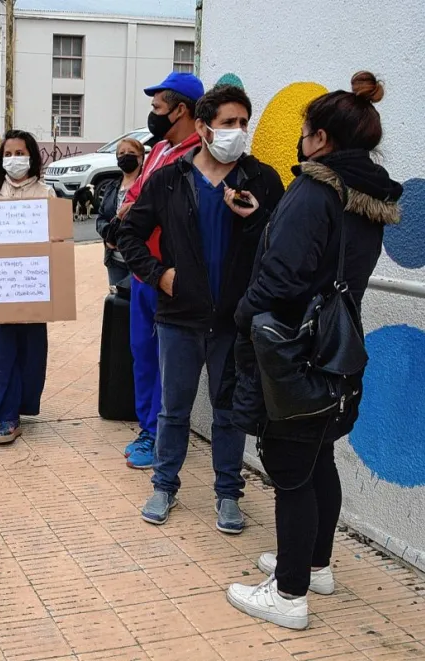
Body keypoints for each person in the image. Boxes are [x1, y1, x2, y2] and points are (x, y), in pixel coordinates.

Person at [226, 72, 402, 630]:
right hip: (336, 347)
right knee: (318, 454)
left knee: (290, 470)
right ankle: (315, 564)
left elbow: (282, 278)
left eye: (304, 131)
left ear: (321, 138)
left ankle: (289, 593)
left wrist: (243, 314)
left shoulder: (313, 190)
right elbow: (329, 265)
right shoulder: (367, 196)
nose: (301, 140)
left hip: (293, 350)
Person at [117, 85, 285, 533]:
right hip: (179, 317)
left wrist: (254, 221)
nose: (238, 132)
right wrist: (159, 275)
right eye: (229, 123)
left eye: (243, 123)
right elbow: (127, 235)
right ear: (204, 126)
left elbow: (282, 245)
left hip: (235, 320)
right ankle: (164, 484)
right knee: (174, 409)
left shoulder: (261, 180)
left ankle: (228, 494)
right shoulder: (170, 178)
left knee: (227, 411)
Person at [118, 72, 205, 470]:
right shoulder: (158, 151)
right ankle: (146, 426)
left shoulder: (197, 156)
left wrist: (137, 214)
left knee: (166, 358)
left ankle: (158, 433)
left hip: (168, 275)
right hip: (141, 272)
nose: (152, 116)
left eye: (157, 108)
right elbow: (135, 198)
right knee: (142, 354)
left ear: (181, 110)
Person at [0, 130, 54, 445]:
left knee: (29, 350)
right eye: (9, 153)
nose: (14, 159)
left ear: (32, 156)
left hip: (30, 286)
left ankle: (19, 406)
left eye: (21, 153)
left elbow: (56, 241)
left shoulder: (46, 194)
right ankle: (6, 416)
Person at [95, 137, 144, 286]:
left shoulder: (147, 185)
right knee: (117, 304)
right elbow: (101, 218)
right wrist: (109, 235)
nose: (125, 156)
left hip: (139, 259)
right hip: (114, 260)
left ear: (141, 158)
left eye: (131, 152)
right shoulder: (111, 187)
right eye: (121, 153)